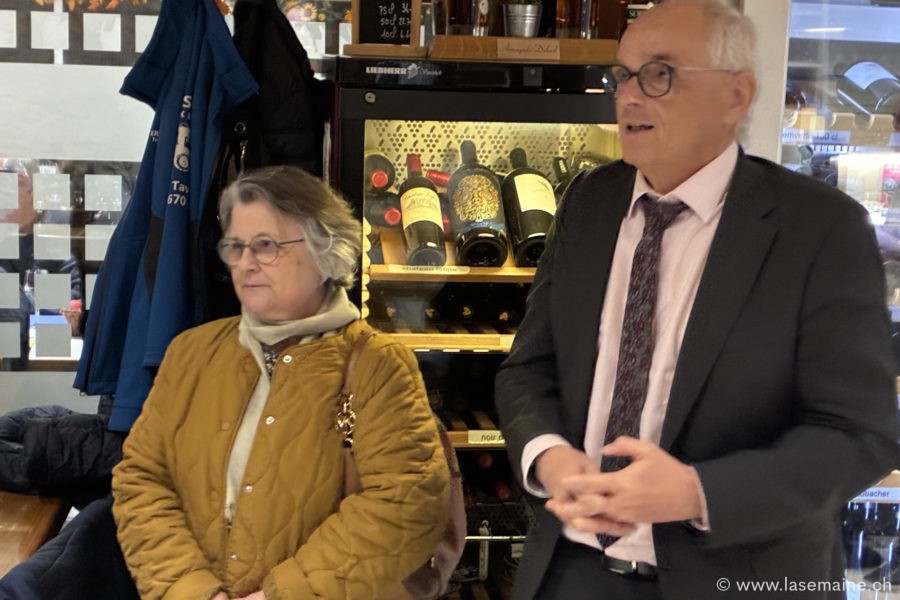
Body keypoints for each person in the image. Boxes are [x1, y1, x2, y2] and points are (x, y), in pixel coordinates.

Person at [495, 1, 898, 599]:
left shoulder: (821, 228)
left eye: (658, 74)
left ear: (736, 95)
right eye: (622, 76)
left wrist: (696, 492)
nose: (628, 96)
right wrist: (549, 456)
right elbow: (528, 369)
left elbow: (859, 433)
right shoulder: (589, 201)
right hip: (573, 572)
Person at [111, 165, 451, 599]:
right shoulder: (191, 353)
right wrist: (192, 590)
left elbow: (404, 505)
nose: (245, 263)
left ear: (325, 249)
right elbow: (141, 478)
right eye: (236, 246)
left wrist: (278, 595)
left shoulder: (379, 366)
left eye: (266, 245)